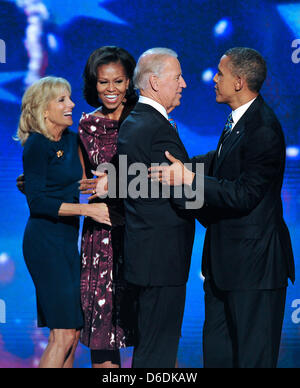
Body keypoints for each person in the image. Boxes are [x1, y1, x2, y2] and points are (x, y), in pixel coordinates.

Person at [149, 47, 295, 368]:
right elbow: (220, 163)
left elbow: (245, 193)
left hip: (254, 271)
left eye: (220, 74)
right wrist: (180, 165)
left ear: (239, 82)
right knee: (217, 357)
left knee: (251, 361)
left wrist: (187, 176)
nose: (214, 80)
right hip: (223, 269)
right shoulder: (238, 122)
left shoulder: (264, 128)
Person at [17, 76, 112, 368]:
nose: (71, 104)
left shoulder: (72, 140)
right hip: (44, 244)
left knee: (72, 333)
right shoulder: (36, 145)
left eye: (69, 98)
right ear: (43, 110)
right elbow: (38, 202)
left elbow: (71, 182)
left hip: (67, 243)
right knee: (63, 334)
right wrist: (89, 211)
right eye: (61, 100)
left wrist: (91, 186)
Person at [117, 48, 195, 368]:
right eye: (177, 77)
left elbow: (135, 188)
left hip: (148, 256)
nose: (184, 84)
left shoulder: (134, 121)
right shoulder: (154, 127)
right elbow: (185, 192)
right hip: (162, 258)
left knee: (153, 349)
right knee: (156, 354)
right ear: (153, 81)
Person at [78, 46, 138, 368]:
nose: (111, 89)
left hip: (140, 231)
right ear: (94, 83)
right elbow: (78, 178)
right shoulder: (87, 126)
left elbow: (168, 176)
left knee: (147, 330)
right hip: (100, 236)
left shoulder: (146, 118)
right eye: (103, 82)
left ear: (129, 81)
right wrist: (33, 178)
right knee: (102, 336)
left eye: (118, 81)